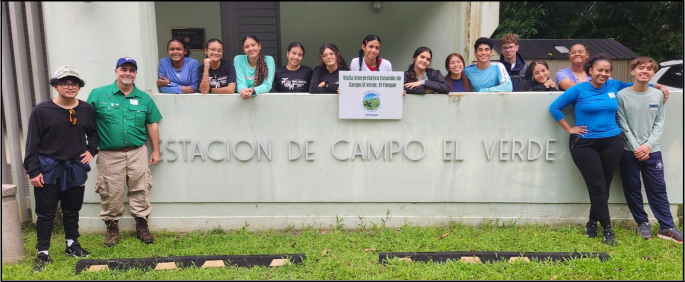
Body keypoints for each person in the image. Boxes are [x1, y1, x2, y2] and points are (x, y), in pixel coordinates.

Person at [549, 54, 670, 246]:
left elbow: (638, 84)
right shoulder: (578, 89)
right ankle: (607, 228)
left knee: (604, 185)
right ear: (590, 70)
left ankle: (591, 222)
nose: (603, 74)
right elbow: (555, 107)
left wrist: (659, 86)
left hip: (612, 143)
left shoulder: (614, 86)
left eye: (607, 71)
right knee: (597, 186)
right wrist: (569, 128)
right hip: (584, 143)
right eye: (599, 70)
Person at [24, 66, 98, 272]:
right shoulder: (42, 110)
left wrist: (91, 150)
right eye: (64, 82)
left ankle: (71, 244)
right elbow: (31, 144)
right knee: (46, 212)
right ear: (56, 85)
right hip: (48, 167)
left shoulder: (85, 109)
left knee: (72, 209)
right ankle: (43, 252)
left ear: (79, 86)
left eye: (74, 82)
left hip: (75, 166)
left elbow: (93, 134)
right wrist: (33, 170)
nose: (70, 86)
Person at [87, 57, 163, 247]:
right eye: (123, 69)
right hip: (108, 153)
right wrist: (88, 146)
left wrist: (156, 150)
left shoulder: (144, 98)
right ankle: (112, 228)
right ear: (116, 71)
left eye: (131, 70)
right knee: (111, 191)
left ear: (135, 73)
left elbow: (152, 123)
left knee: (141, 188)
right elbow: (85, 121)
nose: (127, 73)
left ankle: (142, 225)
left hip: (137, 151)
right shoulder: (98, 94)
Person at [617, 57, 682, 244]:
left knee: (658, 189)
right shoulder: (622, 95)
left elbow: (659, 123)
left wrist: (647, 146)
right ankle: (642, 223)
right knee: (632, 188)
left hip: (652, 151)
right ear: (632, 72)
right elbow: (622, 123)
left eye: (648, 69)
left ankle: (667, 226)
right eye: (640, 68)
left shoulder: (658, 95)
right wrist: (637, 147)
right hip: (629, 151)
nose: (644, 71)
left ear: (653, 74)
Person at [234, 35, 276, 99]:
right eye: (246, 47)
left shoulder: (269, 60)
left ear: (259, 46)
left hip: (263, 100)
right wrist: (243, 91)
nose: (250, 49)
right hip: (244, 100)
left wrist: (253, 91)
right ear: (243, 49)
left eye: (253, 45)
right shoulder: (238, 60)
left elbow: (267, 85)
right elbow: (240, 83)